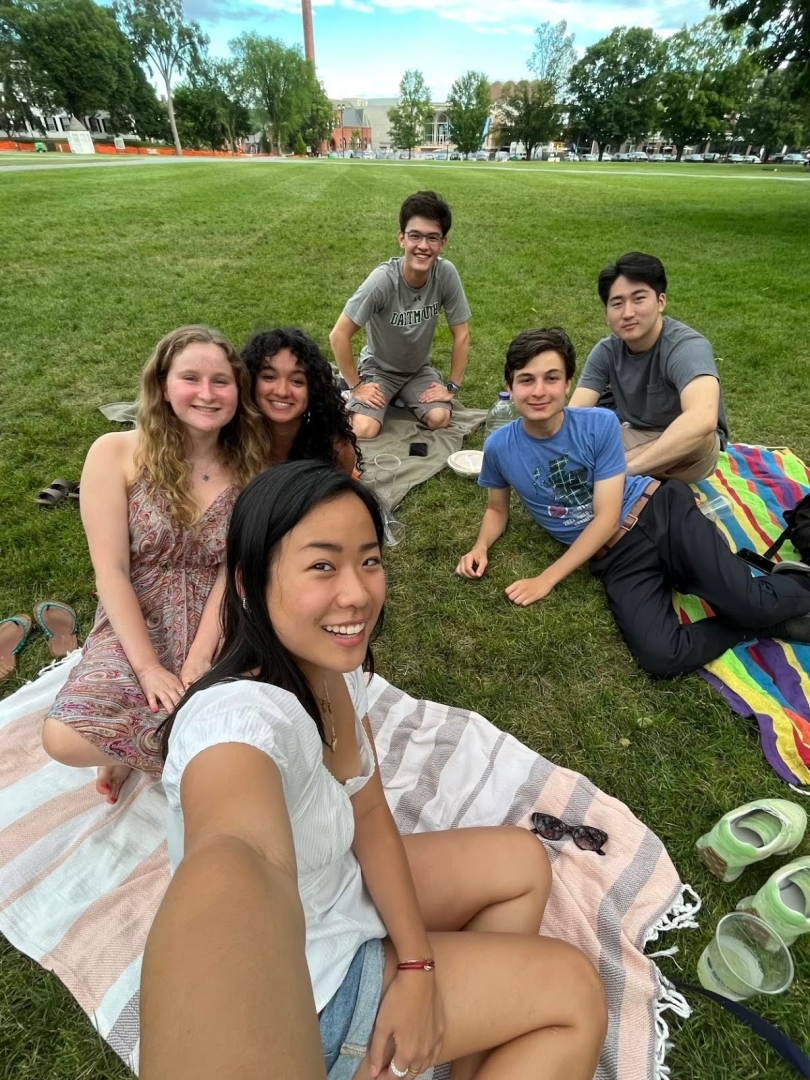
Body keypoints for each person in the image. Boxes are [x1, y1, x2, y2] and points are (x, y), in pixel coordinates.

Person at [140, 461, 607, 1080]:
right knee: (575, 993)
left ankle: (447, 1043)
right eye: (322, 565)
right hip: (313, 992)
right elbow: (236, 855)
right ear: (250, 586)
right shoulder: (239, 722)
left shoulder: (331, 669)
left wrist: (418, 968)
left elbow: (367, 811)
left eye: (368, 560)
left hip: (336, 896)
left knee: (524, 861)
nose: (358, 593)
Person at [456, 327, 810, 679]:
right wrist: (481, 546)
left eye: (551, 378)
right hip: (615, 558)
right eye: (526, 380)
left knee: (752, 603)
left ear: (567, 384)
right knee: (661, 656)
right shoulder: (500, 446)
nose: (538, 391)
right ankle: (757, 628)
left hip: (660, 514)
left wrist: (546, 579)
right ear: (510, 384)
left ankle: (796, 585)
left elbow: (606, 518)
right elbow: (496, 509)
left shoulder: (599, 424)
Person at [41, 325, 266, 803]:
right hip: (137, 612)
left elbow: (235, 570)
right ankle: (158, 753)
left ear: (237, 390)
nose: (206, 394)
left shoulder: (252, 464)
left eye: (221, 381)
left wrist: (202, 656)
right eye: (191, 378)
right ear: (163, 385)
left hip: (222, 614)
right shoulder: (115, 452)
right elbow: (111, 572)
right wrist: (147, 668)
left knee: (246, 721)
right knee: (61, 737)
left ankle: (135, 749)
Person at [569, 252, 729, 483]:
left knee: (701, 439)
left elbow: (702, 419)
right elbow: (576, 415)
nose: (628, 313)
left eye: (639, 299)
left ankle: (614, 477)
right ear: (606, 315)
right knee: (579, 439)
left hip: (691, 446)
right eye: (617, 303)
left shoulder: (685, 347)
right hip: (637, 434)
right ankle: (620, 478)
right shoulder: (607, 350)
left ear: (661, 302)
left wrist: (625, 469)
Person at [329, 190, 471, 441]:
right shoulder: (383, 280)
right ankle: (346, 392)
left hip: (417, 369)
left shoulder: (446, 274)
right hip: (379, 369)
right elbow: (339, 335)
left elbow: (461, 334)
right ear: (402, 239)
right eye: (415, 236)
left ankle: (400, 398)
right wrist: (357, 386)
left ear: (443, 243)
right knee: (363, 430)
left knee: (439, 419)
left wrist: (452, 386)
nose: (423, 246)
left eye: (432, 238)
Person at [241, 326, 359, 474]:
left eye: (297, 381)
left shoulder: (337, 451)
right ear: (250, 380)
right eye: (269, 377)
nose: (282, 391)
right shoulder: (231, 444)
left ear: (313, 389)